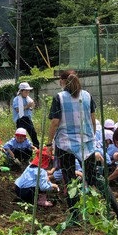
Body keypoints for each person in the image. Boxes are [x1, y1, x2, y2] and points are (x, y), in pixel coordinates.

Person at [47, 71, 97, 210]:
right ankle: (117, 209)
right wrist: (91, 138)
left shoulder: (59, 98)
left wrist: (49, 143)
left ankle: (74, 214)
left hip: (65, 144)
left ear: (62, 81)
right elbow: (93, 121)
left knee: (69, 180)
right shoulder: (87, 95)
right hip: (86, 142)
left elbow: (55, 123)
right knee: (94, 178)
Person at [12, 82, 39, 147]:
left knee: (33, 133)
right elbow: (17, 110)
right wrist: (27, 106)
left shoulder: (28, 99)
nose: (27, 93)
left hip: (28, 118)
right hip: (20, 119)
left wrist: (32, 106)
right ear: (21, 91)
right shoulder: (16, 99)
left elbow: (30, 108)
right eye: (25, 91)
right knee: (20, 135)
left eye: (28, 91)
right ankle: (19, 148)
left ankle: (37, 148)